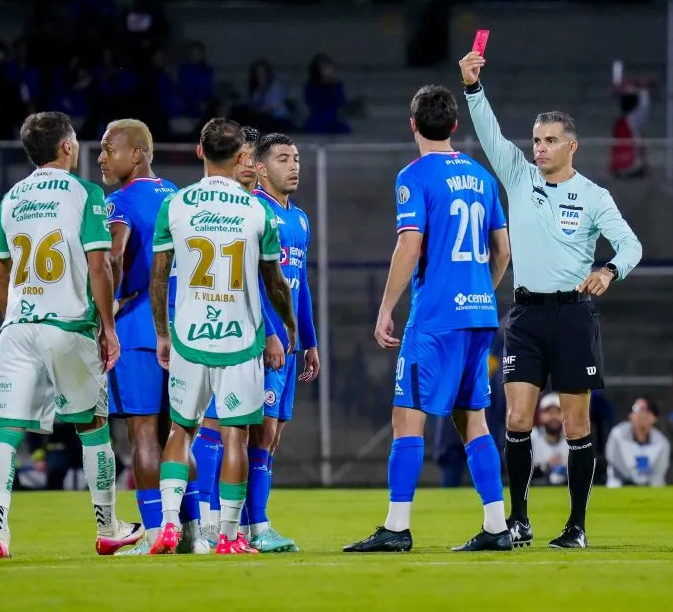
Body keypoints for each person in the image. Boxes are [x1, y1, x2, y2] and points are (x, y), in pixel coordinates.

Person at [459, 51, 642, 549]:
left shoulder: (595, 196)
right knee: (517, 419)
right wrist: (473, 88)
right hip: (525, 314)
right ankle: (518, 520)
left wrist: (609, 269)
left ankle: (576, 526)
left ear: (572, 147)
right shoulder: (518, 177)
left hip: (573, 315)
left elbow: (631, 245)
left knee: (578, 422)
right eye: (536, 140)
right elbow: (491, 134)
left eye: (549, 141)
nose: (538, 148)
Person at [343, 84, 512, 553]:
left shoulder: (414, 176)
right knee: (471, 417)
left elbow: (409, 243)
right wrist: (480, 293)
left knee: (406, 417)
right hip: (480, 316)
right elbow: (503, 250)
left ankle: (397, 527)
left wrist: (385, 307)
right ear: (455, 126)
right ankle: (497, 526)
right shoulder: (482, 176)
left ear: (413, 124)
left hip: (436, 316)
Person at [0, 111, 143, 559]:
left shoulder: (11, 198)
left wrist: (15, 318)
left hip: (17, 327)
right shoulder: (85, 194)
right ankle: (108, 527)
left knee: (5, 432)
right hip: (69, 327)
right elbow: (100, 264)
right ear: (68, 147)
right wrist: (108, 327)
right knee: (93, 429)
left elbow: (0, 271)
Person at [148, 118, 296, 556]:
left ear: (199, 152)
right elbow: (275, 282)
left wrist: (162, 334)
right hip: (240, 339)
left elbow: (158, 279)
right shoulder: (257, 211)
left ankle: (171, 525)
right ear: (241, 159)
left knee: (180, 430)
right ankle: (230, 536)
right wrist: (288, 325)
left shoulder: (175, 205)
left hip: (189, 336)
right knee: (236, 436)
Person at [98, 118, 206, 555]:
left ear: (137, 153)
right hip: (184, 327)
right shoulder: (179, 196)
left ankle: (150, 534)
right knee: (178, 433)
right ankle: (192, 533)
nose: (102, 157)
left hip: (140, 327)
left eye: (109, 148)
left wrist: (113, 304)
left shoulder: (119, 201)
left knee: (143, 434)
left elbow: (113, 256)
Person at [190, 127, 288, 548]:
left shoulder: (281, 215)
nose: (248, 164)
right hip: (228, 335)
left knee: (260, 435)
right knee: (215, 428)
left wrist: (302, 335)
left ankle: (248, 527)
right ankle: (211, 523)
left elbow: (291, 286)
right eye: (244, 157)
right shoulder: (238, 212)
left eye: (253, 157)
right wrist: (270, 331)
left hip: (271, 337)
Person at [242, 132, 321, 552]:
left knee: (273, 435)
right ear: (259, 167)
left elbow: (300, 285)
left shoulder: (301, 218)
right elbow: (251, 281)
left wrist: (309, 340)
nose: (293, 166)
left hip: (289, 346)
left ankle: (250, 523)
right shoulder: (254, 210)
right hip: (262, 342)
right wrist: (270, 333)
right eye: (283, 159)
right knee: (261, 430)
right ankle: (255, 526)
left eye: (296, 158)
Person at [605, 397, 671, 487]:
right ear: (630, 415)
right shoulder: (618, 435)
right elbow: (614, 460)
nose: (642, 415)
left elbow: (659, 470)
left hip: (650, 486)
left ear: (654, 418)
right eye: (638, 410)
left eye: (647, 411)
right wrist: (633, 479)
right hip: (620, 483)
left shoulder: (661, 442)